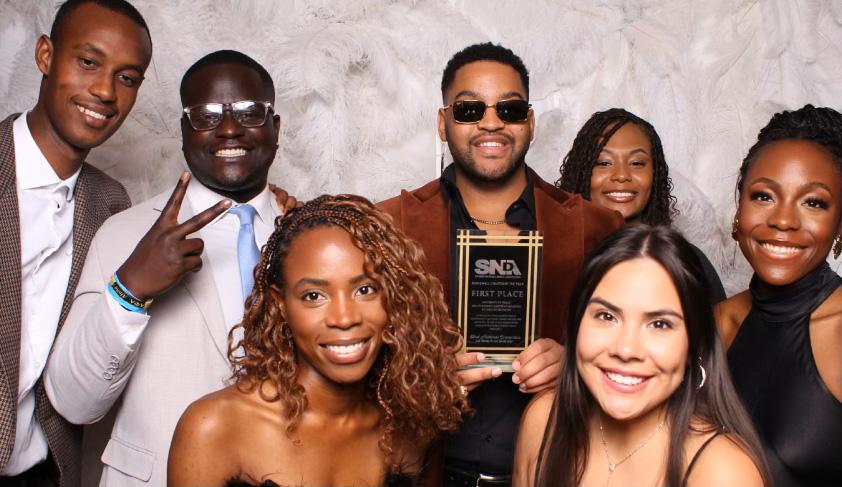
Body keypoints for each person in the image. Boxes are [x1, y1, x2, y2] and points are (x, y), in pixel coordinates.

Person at [379, 43, 623, 485]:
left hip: (555, 469)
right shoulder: (387, 223)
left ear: (529, 123)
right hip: (428, 472)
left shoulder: (596, 227)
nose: (491, 122)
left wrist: (573, 366)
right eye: (469, 109)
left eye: (508, 109)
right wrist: (422, 378)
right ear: (442, 122)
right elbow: (349, 355)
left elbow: (638, 350)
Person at [43, 50, 288, 486]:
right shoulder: (125, 233)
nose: (229, 128)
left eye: (250, 112)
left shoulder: (312, 234)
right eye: (205, 115)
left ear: (275, 128)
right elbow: (73, 403)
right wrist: (131, 289)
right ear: (182, 131)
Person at [167, 194, 470, 486]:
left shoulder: (414, 424)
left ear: (394, 296)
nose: (344, 317)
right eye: (314, 296)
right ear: (280, 304)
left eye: (365, 290)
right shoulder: (214, 427)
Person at [0, 1, 152, 485]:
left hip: (44, 471)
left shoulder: (110, 201)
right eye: (88, 62)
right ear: (45, 55)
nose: (105, 91)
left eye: (127, 78)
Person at [513, 225, 768, 487]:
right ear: (577, 323)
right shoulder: (544, 420)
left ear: (694, 344)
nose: (625, 350)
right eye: (606, 316)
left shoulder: (724, 472)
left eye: (659, 324)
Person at [717, 104, 842, 487]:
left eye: (813, 202)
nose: (783, 221)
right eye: (764, 196)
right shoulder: (711, 323)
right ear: (738, 211)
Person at [556, 108, 726, 303]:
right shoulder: (554, 260)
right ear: (582, 172)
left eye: (637, 163)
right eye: (603, 163)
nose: (621, 175)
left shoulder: (687, 262)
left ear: (655, 175)